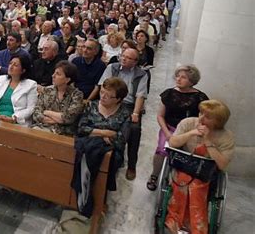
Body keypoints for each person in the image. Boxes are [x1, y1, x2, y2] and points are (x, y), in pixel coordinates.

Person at [165, 100, 235, 234]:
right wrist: (191, 133)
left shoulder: (227, 137)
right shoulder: (188, 123)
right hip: (184, 165)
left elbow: (222, 164)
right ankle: (176, 220)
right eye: (201, 112)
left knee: (196, 185)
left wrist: (208, 142)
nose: (201, 118)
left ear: (218, 121)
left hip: (207, 172)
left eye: (207, 116)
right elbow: (172, 143)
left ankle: (193, 224)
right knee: (185, 180)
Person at [146, 65, 208, 191]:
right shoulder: (169, 93)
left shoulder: (200, 98)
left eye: (183, 77)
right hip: (169, 128)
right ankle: (155, 175)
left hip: (189, 131)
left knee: (189, 153)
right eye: (178, 76)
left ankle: (181, 178)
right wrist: (167, 133)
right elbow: (160, 116)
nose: (178, 79)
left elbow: (204, 118)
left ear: (192, 81)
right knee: (162, 149)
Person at [94, 48, 148, 180]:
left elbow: (140, 96)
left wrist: (135, 113)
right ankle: (107, 156)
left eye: (128, 58)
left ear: (135, 61)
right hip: (109, 101)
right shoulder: (112, 68)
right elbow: (103, 87)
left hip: (128, 105)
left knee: (134, 129)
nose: (124, 59)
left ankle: (131, 165)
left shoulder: (141, 74)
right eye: (123, 56)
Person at [77, 77, 131, 190]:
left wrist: (93, 132)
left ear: (118, 99)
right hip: (87, 145)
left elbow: (121, 140)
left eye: (108, 95)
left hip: (111, 151)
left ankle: (102, 191)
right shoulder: (91, 106)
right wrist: (104, 133)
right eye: (102, 92)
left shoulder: (125, 113)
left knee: (113, 159)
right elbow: (81, 129)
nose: (103, 96)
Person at [31, 61, 84, 135]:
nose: (53, 76)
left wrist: (47, 112)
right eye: (54, 73)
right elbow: (36, 113)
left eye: (58, 74)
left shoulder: (77, 95)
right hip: (42, 127)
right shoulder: (47, 90)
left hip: (64, 132)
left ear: (67, 80)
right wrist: (55, 119)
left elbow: (68, 118)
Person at [0, 54, 37, 126]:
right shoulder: (2, 79)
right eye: (10, 63)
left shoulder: (31, 85)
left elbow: (31, 109)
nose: (11, 67)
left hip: (17, 122)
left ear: (23, 70)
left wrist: (13, 118)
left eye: (15, 65)